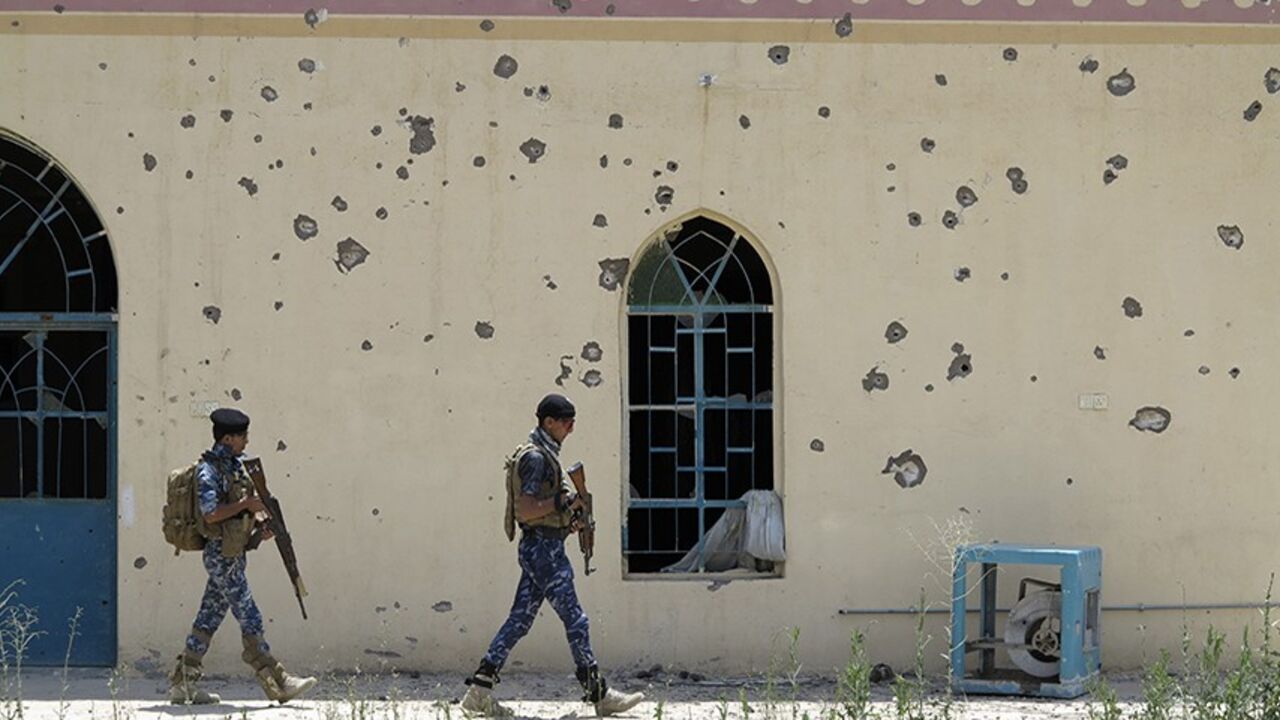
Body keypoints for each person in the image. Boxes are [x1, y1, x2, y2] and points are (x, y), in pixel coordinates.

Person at [461, 394, 645, 717]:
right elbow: (527, 508)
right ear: (548, 422)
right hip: (544, 552)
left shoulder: (545, 455)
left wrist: (567, 523)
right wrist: (562, 505)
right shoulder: (535, 459)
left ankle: (478, 691)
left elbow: (540, 512)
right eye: (566, 422)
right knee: (576, 620)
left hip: (542, 546)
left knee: (519, 621)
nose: (571, 428)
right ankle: (598, 693)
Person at [167, 408, 318, 705]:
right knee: (249, 614)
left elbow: (238, 516)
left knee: (208, 618)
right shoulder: (208, 471)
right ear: (228, 438)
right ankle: (277, 680)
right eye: (243, 436)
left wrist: (258, 531)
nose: (247, 441)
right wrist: (247, 503)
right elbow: (211, 515)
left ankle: (183, 683)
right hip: (220, 557)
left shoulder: (235, 468)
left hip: (232, 554)